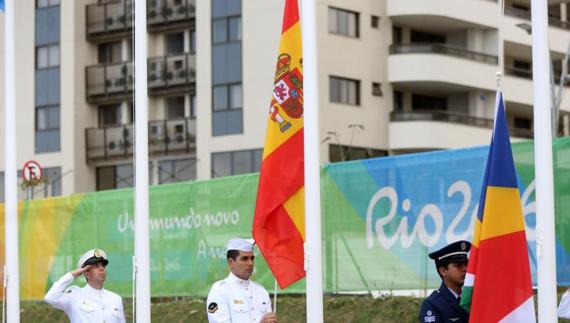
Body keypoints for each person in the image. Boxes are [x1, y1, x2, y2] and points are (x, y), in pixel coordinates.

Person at [44, 249, 126, 323]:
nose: (101, 268)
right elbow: (51, 297)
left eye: (103, 266)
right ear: (86, 272)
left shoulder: (116, 298)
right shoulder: (75, 295)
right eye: (96, 266)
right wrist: (73, 274)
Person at [207, 238, 277, 323]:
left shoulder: (261, 291)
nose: (250, 263)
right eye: (244, 259)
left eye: (252, 258)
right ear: (230, 262)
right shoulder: (220, 291)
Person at [419, 240, 471, 323]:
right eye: (458, 265)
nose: (465, 269)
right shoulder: (432, 305)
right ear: (443, 271)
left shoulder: (471, 299)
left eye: (466, 264)